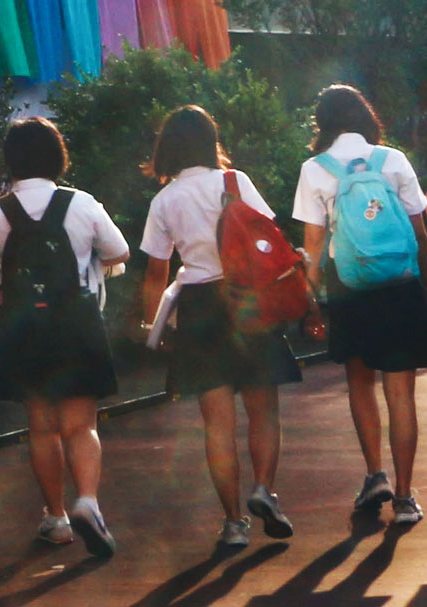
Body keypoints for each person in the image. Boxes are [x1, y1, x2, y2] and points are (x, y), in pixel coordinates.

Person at [138, 105, 303, 547]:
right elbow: (269, 237)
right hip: (247, 301)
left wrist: (151, 328)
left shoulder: (164, 200)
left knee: (217, 423)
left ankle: (233, 523)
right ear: (212, 142)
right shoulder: (235, 182)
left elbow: (156, 273)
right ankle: (264, 490)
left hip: (198, 308)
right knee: (263, 408)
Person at [0, 117, 129, 557]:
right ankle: (89, 502)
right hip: (77, 324)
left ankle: (56, 518)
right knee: (80, 425)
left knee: (42, 428)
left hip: (23, 328)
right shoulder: (81, 203)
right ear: (57, 155)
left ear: (11, 160)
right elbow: (119, 251)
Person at [293, 84, 427, 525]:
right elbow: (419, 233)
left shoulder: (314, 169)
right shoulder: (392, 160)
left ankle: (374, 473)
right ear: (365, 115)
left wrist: (311, 301)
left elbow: (314, 245)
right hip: (400, 284)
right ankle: (404, 496)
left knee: (360, 382)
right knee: (402, 393)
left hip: (349, 286)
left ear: (322, 122)